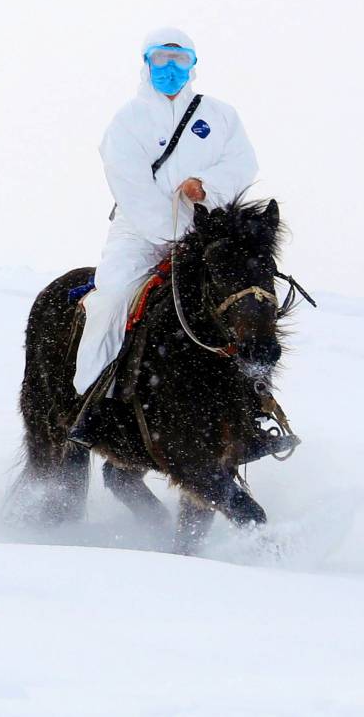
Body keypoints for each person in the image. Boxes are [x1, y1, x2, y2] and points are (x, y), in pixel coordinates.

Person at [68, 28, 260, 442]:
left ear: (193, 65)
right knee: (112, 298)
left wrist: (206, 185)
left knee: (248, 299)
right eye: (161, 59)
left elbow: (243, 164)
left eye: (180, 60)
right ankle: (93, 402)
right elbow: (129, 183)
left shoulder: (221, 115)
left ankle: (254, 406)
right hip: (138, 233)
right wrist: (176, 231)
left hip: (206, 231)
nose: (170, 69)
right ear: (146, 63)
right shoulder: (127, 120)